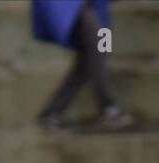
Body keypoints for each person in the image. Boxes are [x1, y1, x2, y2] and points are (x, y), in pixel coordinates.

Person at [33, 0, 132, 131]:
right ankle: (108, 108)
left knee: (92, 57)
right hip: (75, 5)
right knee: (97, 48)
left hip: (95, 8)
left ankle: (51, 112)